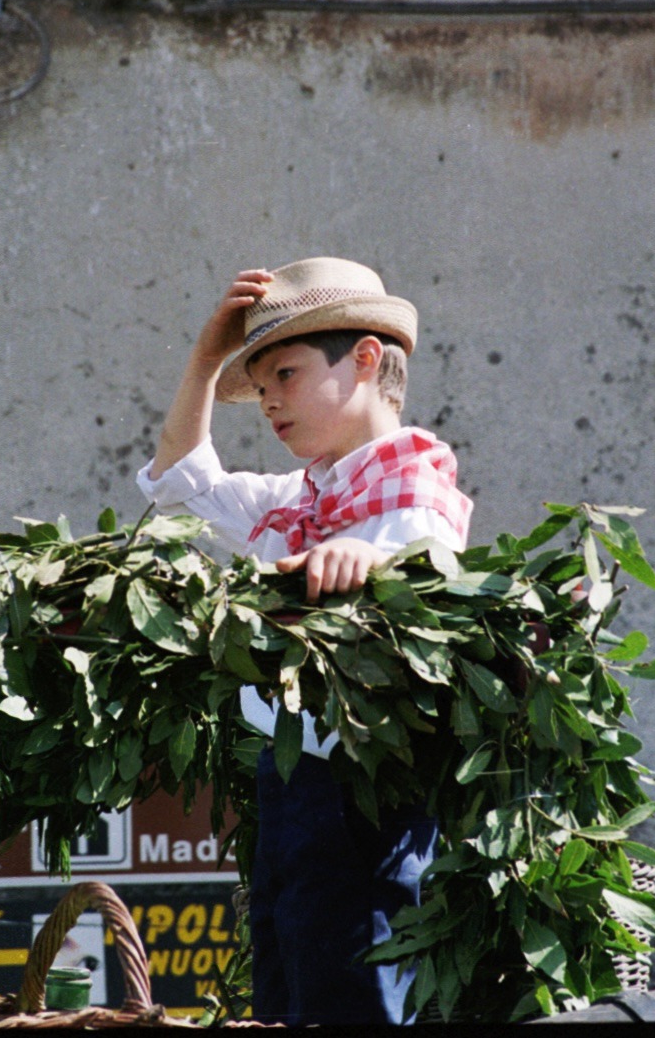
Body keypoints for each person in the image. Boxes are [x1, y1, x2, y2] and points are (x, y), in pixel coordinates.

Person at [135, 256, 473, 1025]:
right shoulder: (303, 498)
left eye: (283, 375)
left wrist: (374, 564)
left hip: (363, 787)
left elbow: (427, 575)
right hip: (289, 780)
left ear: (362, 359)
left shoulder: (416, 487)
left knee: (351, 992)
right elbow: (178, 480)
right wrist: (205, 357)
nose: (268, 403)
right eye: (258, 388)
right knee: (286, 993)